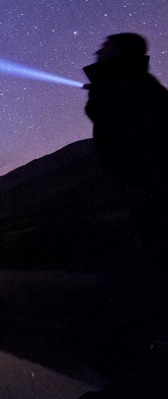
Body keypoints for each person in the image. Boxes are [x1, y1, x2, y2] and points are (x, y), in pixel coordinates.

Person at [84, 33, 168, 281]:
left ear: (121, 52)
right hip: (142, 182)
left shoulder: (131, 85)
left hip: (149, 184)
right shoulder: (126, 83)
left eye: (106, 46)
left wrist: (144, 180)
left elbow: (141, 133)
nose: (97, 52)